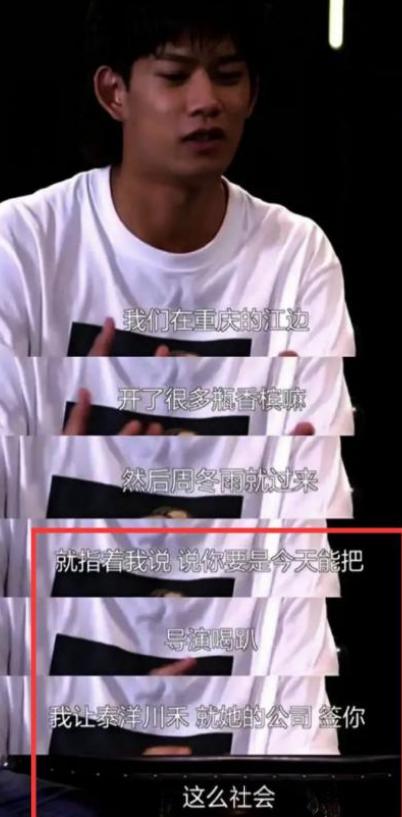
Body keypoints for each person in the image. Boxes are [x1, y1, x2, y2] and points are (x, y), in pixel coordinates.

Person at [0, 0, 355, 358]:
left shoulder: (295, 252)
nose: (207, 101)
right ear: (114, 92)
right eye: (175, 76)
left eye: (228, 76)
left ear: (253, 95)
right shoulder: (21, 241)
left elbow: (312, 397)